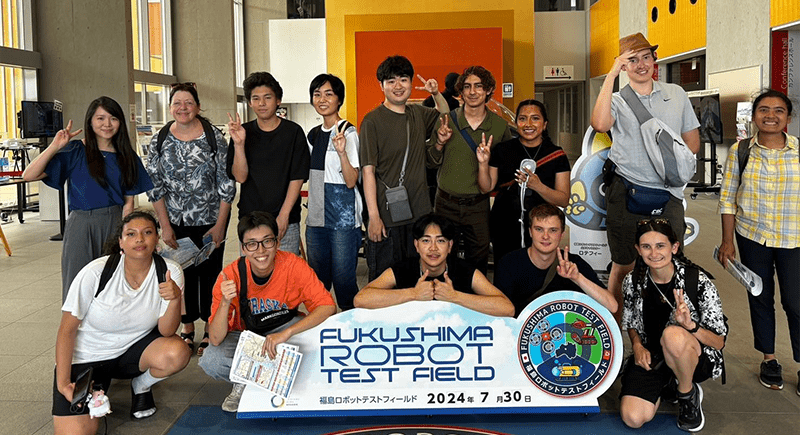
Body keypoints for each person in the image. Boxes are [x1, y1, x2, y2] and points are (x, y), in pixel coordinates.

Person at [590, 33, 700, 320]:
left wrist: (671, 168)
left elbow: (692, 142)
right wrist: (610, 75)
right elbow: (600, 123)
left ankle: (673, 327)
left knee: (670, 263)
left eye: (646, 57)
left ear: (655, 60)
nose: (641, 64)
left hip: (669, 194)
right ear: (623, 66)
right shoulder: (616, 99)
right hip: (627, 190)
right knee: (623, 263)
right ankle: (616, 336)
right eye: (632, 60)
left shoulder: (676, 94)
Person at [52, 211, 190, 435]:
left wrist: (175, 299)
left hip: (131, 352)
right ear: (120, 242)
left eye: (147, 233)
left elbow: (167, 331)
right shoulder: (96, 272)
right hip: (87, 357)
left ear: (157, 239)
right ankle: (97, 387)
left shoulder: (170, 272)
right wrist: (63, 382)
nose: (139, 239)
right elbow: (66, 330)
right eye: (131, 234)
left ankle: (141, 385)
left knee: (178, 351)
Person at [199, 211, 336, 412]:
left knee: (318, 346)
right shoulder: (230, 274)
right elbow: (216, 338)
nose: (261, 250)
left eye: (267, 242)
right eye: (252, 244)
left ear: (277, 242)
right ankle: (263, 378)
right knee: (211, 360)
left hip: (283, 332)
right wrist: (225, 302)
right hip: (246, 338)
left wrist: (286, 334)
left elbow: (327, 306)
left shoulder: (293, 265)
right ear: (243, 248)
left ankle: (250, 378)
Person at [23, 96, 153, 302]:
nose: (107, 124)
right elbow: (28, 175)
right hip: (81, 224)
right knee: (78, 283)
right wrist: (55, 146)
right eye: (100, 118)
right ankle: (75, 332)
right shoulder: (75, 150)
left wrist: (126, 231)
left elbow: (129, 203)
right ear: (90, 121)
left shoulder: (126, 155)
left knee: (113, 282)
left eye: (113, 118)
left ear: (120, 122)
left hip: (115, 222)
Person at [717, 89, 800, 393]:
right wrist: (728, 241)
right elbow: (728, 200)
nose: (771, 116)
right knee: (761, 298)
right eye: (764, 110)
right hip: (752, 238)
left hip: (795, 238)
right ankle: (769, 359)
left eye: (779, 110)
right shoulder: (741, 152)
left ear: (788, 117)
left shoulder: (798, 151)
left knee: (796, 302)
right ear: (753, 117)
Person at [146, 82, 236, 355]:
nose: (182, 108)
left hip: (209, 221)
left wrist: (221, 225)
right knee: (179, 277)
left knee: (209, 277)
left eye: (188, 102)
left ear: (197, 106)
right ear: (170, 107)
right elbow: (155, 186)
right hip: (174, 222)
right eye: (177, 103)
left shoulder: (214, 138)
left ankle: (210, 327)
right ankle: (187, 327)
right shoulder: (160, 139)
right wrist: (164, 226)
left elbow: (226, 184)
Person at [619, 219, 726, 432]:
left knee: (673, 335)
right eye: (646, 246)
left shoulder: (698, 281)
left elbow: (719, 342)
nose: (654, 253)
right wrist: (638, 346)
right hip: (654, 356)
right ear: (638, 250)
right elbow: (630, 322)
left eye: (661, 246)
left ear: (674, 247)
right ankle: (668, 384)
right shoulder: (633, 281)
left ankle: (687, 394)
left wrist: (691, 326)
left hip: (694, 356)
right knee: (633, 418)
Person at [360, 55, 450, 281]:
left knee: (419, 277)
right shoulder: (372, 121)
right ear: (381, 86)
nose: (397, 86)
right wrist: (373, 216)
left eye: (403, 80)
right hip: (386, 218)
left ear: (411, 83)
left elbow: (445, 113)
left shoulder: (418, 113)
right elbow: (368, 171)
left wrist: (435, 93)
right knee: (385, 279)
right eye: (390, 81)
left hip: (419, 215)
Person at [429, 66, 513, 273]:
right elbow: (431, 162)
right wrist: (439, 143)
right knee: (441, 258)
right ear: (461, 91)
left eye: (478, 86)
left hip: (478, 206)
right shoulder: (446, 121)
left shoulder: (499, 127)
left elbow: (504, 169)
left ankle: (473, 303)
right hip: (445, 203)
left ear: (488, 90)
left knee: (478, 259)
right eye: (467, 87)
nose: (473, 92)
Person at [354, 214, 514, 317]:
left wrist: (455, 297)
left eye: (440, 240)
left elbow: (507, 308)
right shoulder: (403, 268)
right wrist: (413, 294)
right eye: (426, 240)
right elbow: (361, 300)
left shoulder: (465, 270)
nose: (433, 248)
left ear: (450, 246)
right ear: (416, 245)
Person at [227, 72, 310, 255]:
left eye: (267, 97)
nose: (261, 103)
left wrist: (284, 215)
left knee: (287, 276)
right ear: (249, 102)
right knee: (252, 275)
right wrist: (239, 144)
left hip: (284, 219)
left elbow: (297, 177)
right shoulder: (242, 132)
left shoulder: (293, 132)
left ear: (278, 100)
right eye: (255, 98)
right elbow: (240, 177)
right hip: (250, 221)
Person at [480, 99, 570, 265]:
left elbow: (563, 199)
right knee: (505, 269)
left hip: (541, 228)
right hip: (504, 224)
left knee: (536, 271)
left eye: (535, 118)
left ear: (544, 124)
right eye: (522, 118)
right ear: (516, 123)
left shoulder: (557, 155)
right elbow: (486, 187)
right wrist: (483, 163)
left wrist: (539, 186)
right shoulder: (502, 150)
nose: (528, 124)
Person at [305, 73, 363, 311]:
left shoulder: (348, 133)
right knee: (317, 282)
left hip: (343, 220)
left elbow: (351, 181)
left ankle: (352, 328)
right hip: (316, 219)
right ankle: (323, 328)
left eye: (329, 93)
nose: (322, 99)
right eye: (317, 94)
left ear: (339, 99)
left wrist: (341, 153)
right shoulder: (314, 134)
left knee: (344, 280)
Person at [494, 204, 616, 317]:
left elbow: (612, 305)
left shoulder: (573, 263)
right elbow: (498, 312)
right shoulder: (509, 263)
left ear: (562, 234)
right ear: (530, 232)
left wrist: (578, 278)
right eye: (539, 229)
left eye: (553, 230)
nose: (545, 236)